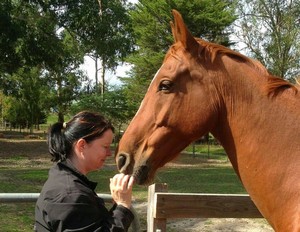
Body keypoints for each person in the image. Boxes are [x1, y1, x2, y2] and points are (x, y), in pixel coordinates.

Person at [35, 111, 135, 232]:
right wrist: (123, 206)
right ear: (82, 145)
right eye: (105, 146)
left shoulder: (66, 181)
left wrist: (118, 206)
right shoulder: (70, 195)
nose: (109, 153)